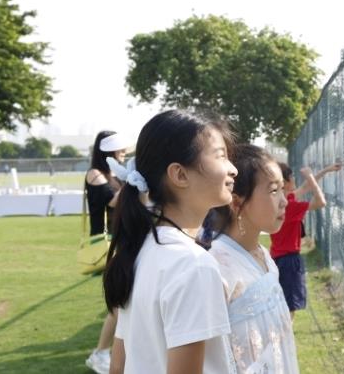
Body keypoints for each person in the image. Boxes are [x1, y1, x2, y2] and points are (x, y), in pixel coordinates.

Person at [103, 110, 237, 374]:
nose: (233, 169)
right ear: (180, 174)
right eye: (221, 156)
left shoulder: (141, 250)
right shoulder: (193, 265)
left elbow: (117, 366)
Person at [200, 144, 299, 372]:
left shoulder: (263, 255)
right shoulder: (216, 267)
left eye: (282, 189)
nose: (284, 201)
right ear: (237, 203)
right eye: (273, 191)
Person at [271, 162, 341, 318]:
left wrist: (326, 170)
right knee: (290, 308)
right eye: (292, 176)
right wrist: (310, 177)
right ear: (285, 182)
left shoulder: (281, 201)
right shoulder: (289, 206)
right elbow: (321, 202)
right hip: (289, 261)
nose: (295, 179)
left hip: (278, 258)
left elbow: (305, 187)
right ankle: (287, 332)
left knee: (283, 303)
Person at [85, 131, 128, 374]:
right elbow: (112, 201)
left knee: (121, 301)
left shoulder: (113, 173)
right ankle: (101, 352)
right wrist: (132, 180)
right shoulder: (95, 174)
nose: (123, 153)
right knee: (119, 303)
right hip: (108, 243)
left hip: (119, 240)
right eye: (119, 149)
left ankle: (105, 352)